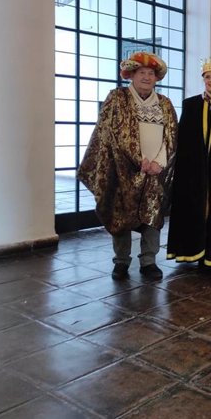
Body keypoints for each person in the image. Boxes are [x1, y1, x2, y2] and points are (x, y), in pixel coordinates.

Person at [78, 51, 177, 281]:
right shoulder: (117, 98)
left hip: (155, 171)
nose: (146, 77)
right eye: (141, 73)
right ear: (131, 75)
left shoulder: (164, 103)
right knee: (120, 214)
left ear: (156, 78)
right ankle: (121, 261)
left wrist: (158, 163)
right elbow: (111, 133)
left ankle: (149, 261)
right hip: (123, 169)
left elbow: (171, 137)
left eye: (151, 73)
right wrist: (137, 159)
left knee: (153, 216)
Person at [166, 56, 211, 270]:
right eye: (207, 77)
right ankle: (194, 251)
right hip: (195, 169)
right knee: (194, 208)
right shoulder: (191, 104)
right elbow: (183, 139)